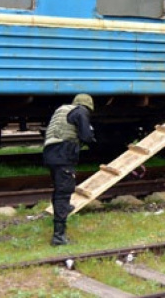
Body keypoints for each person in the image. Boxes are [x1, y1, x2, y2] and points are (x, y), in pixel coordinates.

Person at [43, 93, 96, 246]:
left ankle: (63, 210)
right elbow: (86, 136)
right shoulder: (81, 111)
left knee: (58, 190)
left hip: (50, 154)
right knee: (64, 192)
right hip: (63, 155)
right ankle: (59, 237)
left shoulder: (62, 110)